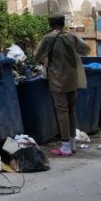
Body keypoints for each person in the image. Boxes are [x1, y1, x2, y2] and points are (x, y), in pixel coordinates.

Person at [34, 14, 90, 157]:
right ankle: (72, 144)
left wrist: (47, 58)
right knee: (71, 110)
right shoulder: (71, 37)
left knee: (62, 111)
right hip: (72, 77)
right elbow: (86, 49)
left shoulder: (48, 38)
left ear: (50, 25)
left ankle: (65, 146)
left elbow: (36, 56)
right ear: (63, 24)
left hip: (57, 78)